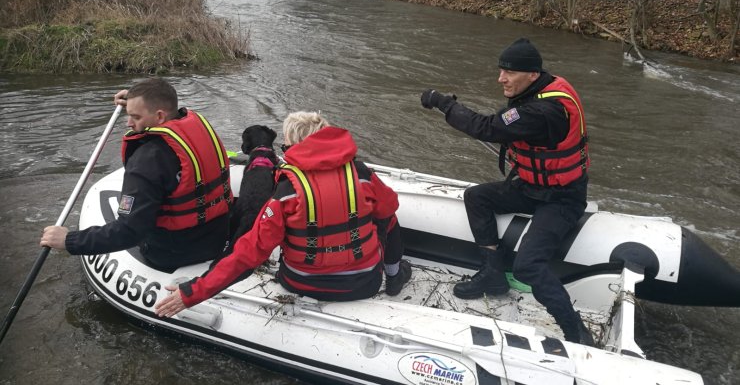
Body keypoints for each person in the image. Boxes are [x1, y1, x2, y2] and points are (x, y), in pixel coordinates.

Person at [420, 37, 594, 346]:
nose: (501, 79)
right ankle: (492, 274)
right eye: (501, 71)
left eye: (509, 73)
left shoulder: (544, 110)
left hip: (562, 197)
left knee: (529, 265)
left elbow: (485, 128)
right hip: (531, 186)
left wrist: (443, 103)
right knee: (477, 197)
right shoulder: (538, 88)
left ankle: (577, 332)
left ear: (531, 74)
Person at [155, 111, 411, 317]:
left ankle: (383, 272)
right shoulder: (361, 174)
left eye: (285, 146)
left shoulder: (286, 191)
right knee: (387, 216)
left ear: (296, 147)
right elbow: (390, 206)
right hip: (363, 283)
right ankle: (393, 275)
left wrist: (192, 292)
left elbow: (248, 253)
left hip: (299, 282)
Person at [40, 78, 232, 271]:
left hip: (173, 253)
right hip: (216, 236)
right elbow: (158, 100)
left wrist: (69, 241)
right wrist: (135, 100)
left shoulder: (147, 161)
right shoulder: (195, 125)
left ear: (159, 117)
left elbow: (129, 231)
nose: (128, 122)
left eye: (136, 117)